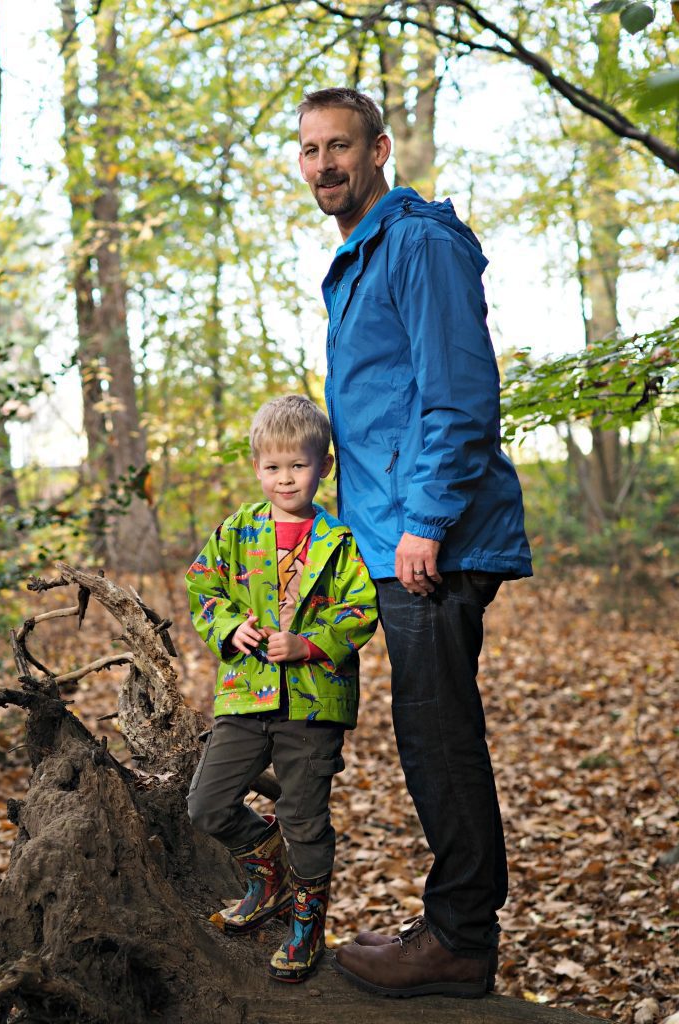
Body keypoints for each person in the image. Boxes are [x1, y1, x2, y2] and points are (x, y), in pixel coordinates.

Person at [296, 87, 533, 999]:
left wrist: (426, 522)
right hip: (395, 534)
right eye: (311, 150)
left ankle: (460, 939)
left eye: (340, 146)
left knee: (438, 736)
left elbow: (460, 394)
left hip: (432, 538)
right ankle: (454, 925)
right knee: (429, 732)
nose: (325, 165)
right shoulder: (365, 256)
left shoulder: (419, 244)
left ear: (380, 148)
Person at [185, 394, 377, 983]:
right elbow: (202, 587)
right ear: (256, 468)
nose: (285, 478)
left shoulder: (338, 540)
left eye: (298, 465)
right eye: (273, 467)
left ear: (323, 468)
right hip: (246, 696)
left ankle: (307, 925)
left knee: (305, 818)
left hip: (313, 705)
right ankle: (267, 874)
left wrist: (308, 643)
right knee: (207, 803)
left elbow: (361, 607)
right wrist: (228, 626)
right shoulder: (239, 531)